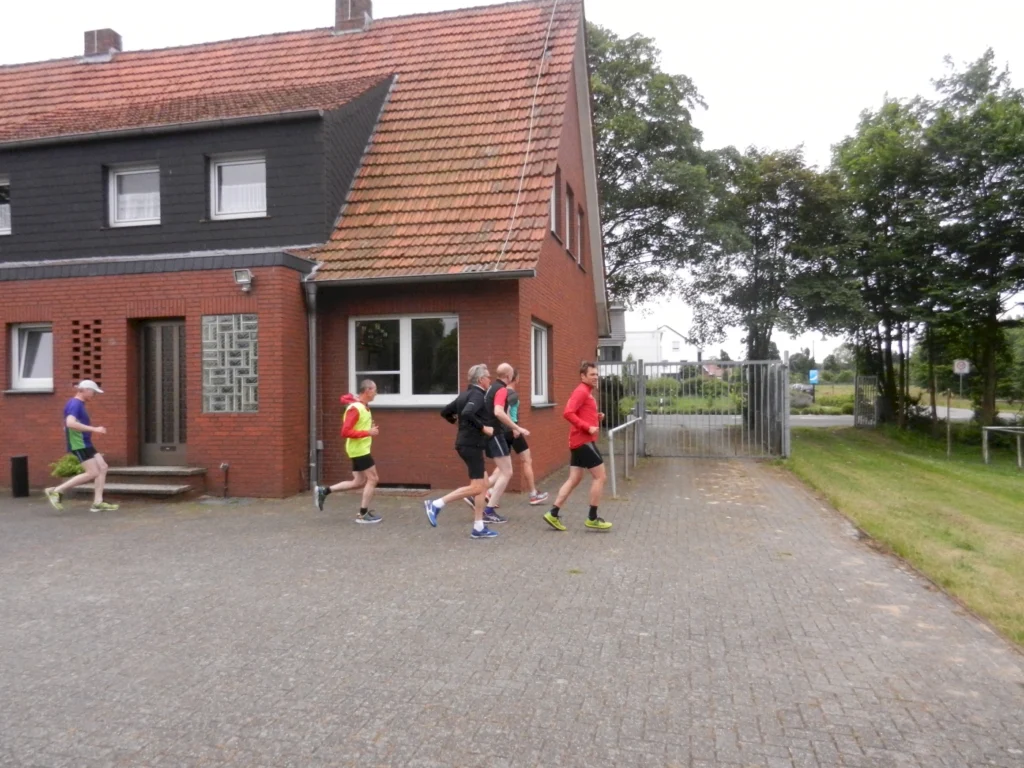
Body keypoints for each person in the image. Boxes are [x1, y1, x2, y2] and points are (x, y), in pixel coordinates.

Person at [424, 364, 498, 539]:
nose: (490, 379)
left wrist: (460, 424)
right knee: (478, 486)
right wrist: (483, 428)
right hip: (471, 445)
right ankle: (436, 504)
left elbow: (446, 413)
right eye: (488, 376)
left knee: (483, 485)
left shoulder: (464, 395)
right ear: (481, 380)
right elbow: (468, 412)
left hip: (468, 444)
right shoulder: (477, 395)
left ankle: (478, 527)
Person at [544, 361, 612, 531]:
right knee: (600, 477)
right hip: (583, 441)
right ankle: (592, 518)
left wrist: (596, 417)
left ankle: (553, 513)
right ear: (583, 376)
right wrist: (587, 427)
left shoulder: (587, 392)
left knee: (574, 478)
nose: (596, 377)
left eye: (597, 374)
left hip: (578, 441)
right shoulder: (581, 391)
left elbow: (581, 413)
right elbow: (568, 412)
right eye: (592, 375)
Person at [471, 368, 547, 509]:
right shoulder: (508, 393)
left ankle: (485, 492)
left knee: (502, 468)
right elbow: (502, 412)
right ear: (513, 377)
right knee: (525, 460)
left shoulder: (497, 389)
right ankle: (533, 494)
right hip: (510, 431)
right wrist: (515, 428)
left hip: (504, 431)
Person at [44, 380, 119, 512]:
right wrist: (94, 429)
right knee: (93, 472)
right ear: (85, 390)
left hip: (85, 442)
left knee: (103, 467)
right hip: (79, 444)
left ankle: (98, 502)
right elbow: (70, 423)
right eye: (93, 392)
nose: (93, 395)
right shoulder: (75, 404)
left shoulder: (78, 404)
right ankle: (56, 491)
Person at [313, 379, 381, 523]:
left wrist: (368, 429)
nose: (376, 393)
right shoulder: (355, 408)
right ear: (367, 390)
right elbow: (345, 432)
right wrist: (367, 432)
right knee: (373, 479)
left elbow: (357, 426)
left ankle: (324, 491)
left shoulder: (362, 406)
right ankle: (362, 514)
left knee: (358, 481)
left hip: (358, 449)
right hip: (359, 450)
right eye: (375, 390)